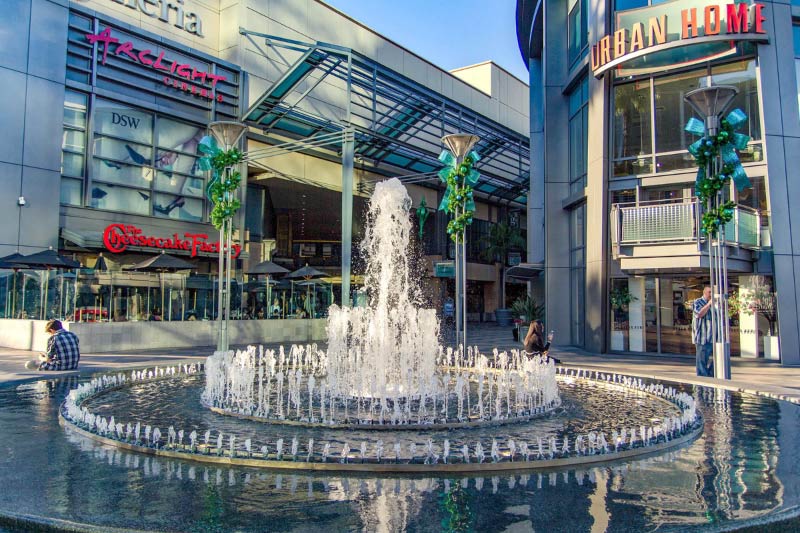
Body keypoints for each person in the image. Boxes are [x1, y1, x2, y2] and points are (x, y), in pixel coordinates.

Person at [692, 285, 715, 377]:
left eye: (712, 292)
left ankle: (709, 375)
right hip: (702, 337)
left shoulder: (715, 304)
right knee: (702, 360)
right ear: (704, 292)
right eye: (709, 292)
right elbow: (699, 314)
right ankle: (702, 378)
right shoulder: (698, 302)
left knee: (718, 359)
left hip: (713, 337)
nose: (711, 294)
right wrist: (708, 304)